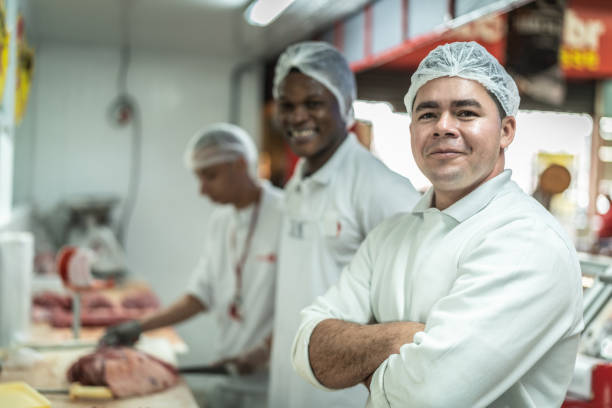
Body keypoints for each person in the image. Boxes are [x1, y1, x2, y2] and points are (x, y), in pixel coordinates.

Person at [291, 41, 584, 407]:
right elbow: (308, 346)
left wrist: (359, 361)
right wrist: (399, 338)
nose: (444, 127)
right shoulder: (391, 234)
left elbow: (426, 396)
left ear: (506, 130)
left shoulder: (527, 242)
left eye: (465, 113)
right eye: (428, 114)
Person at [269, 41, 421, 408]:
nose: (298, 117)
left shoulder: (380, 189)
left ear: (345, 105)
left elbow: (414, 310)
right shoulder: (297, 184)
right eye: (287, 106)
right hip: (290, 381)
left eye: (314, 103)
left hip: (346, 396)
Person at [100, 123, 283, 408]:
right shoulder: (222, 221)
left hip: (272, 386)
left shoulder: (286, 216)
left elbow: (305, 303)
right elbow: (200, 295)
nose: (202, 190)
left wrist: (263, 351)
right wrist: (139, 326)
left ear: (240, 164)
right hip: (226, 372)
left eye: (210, 176)